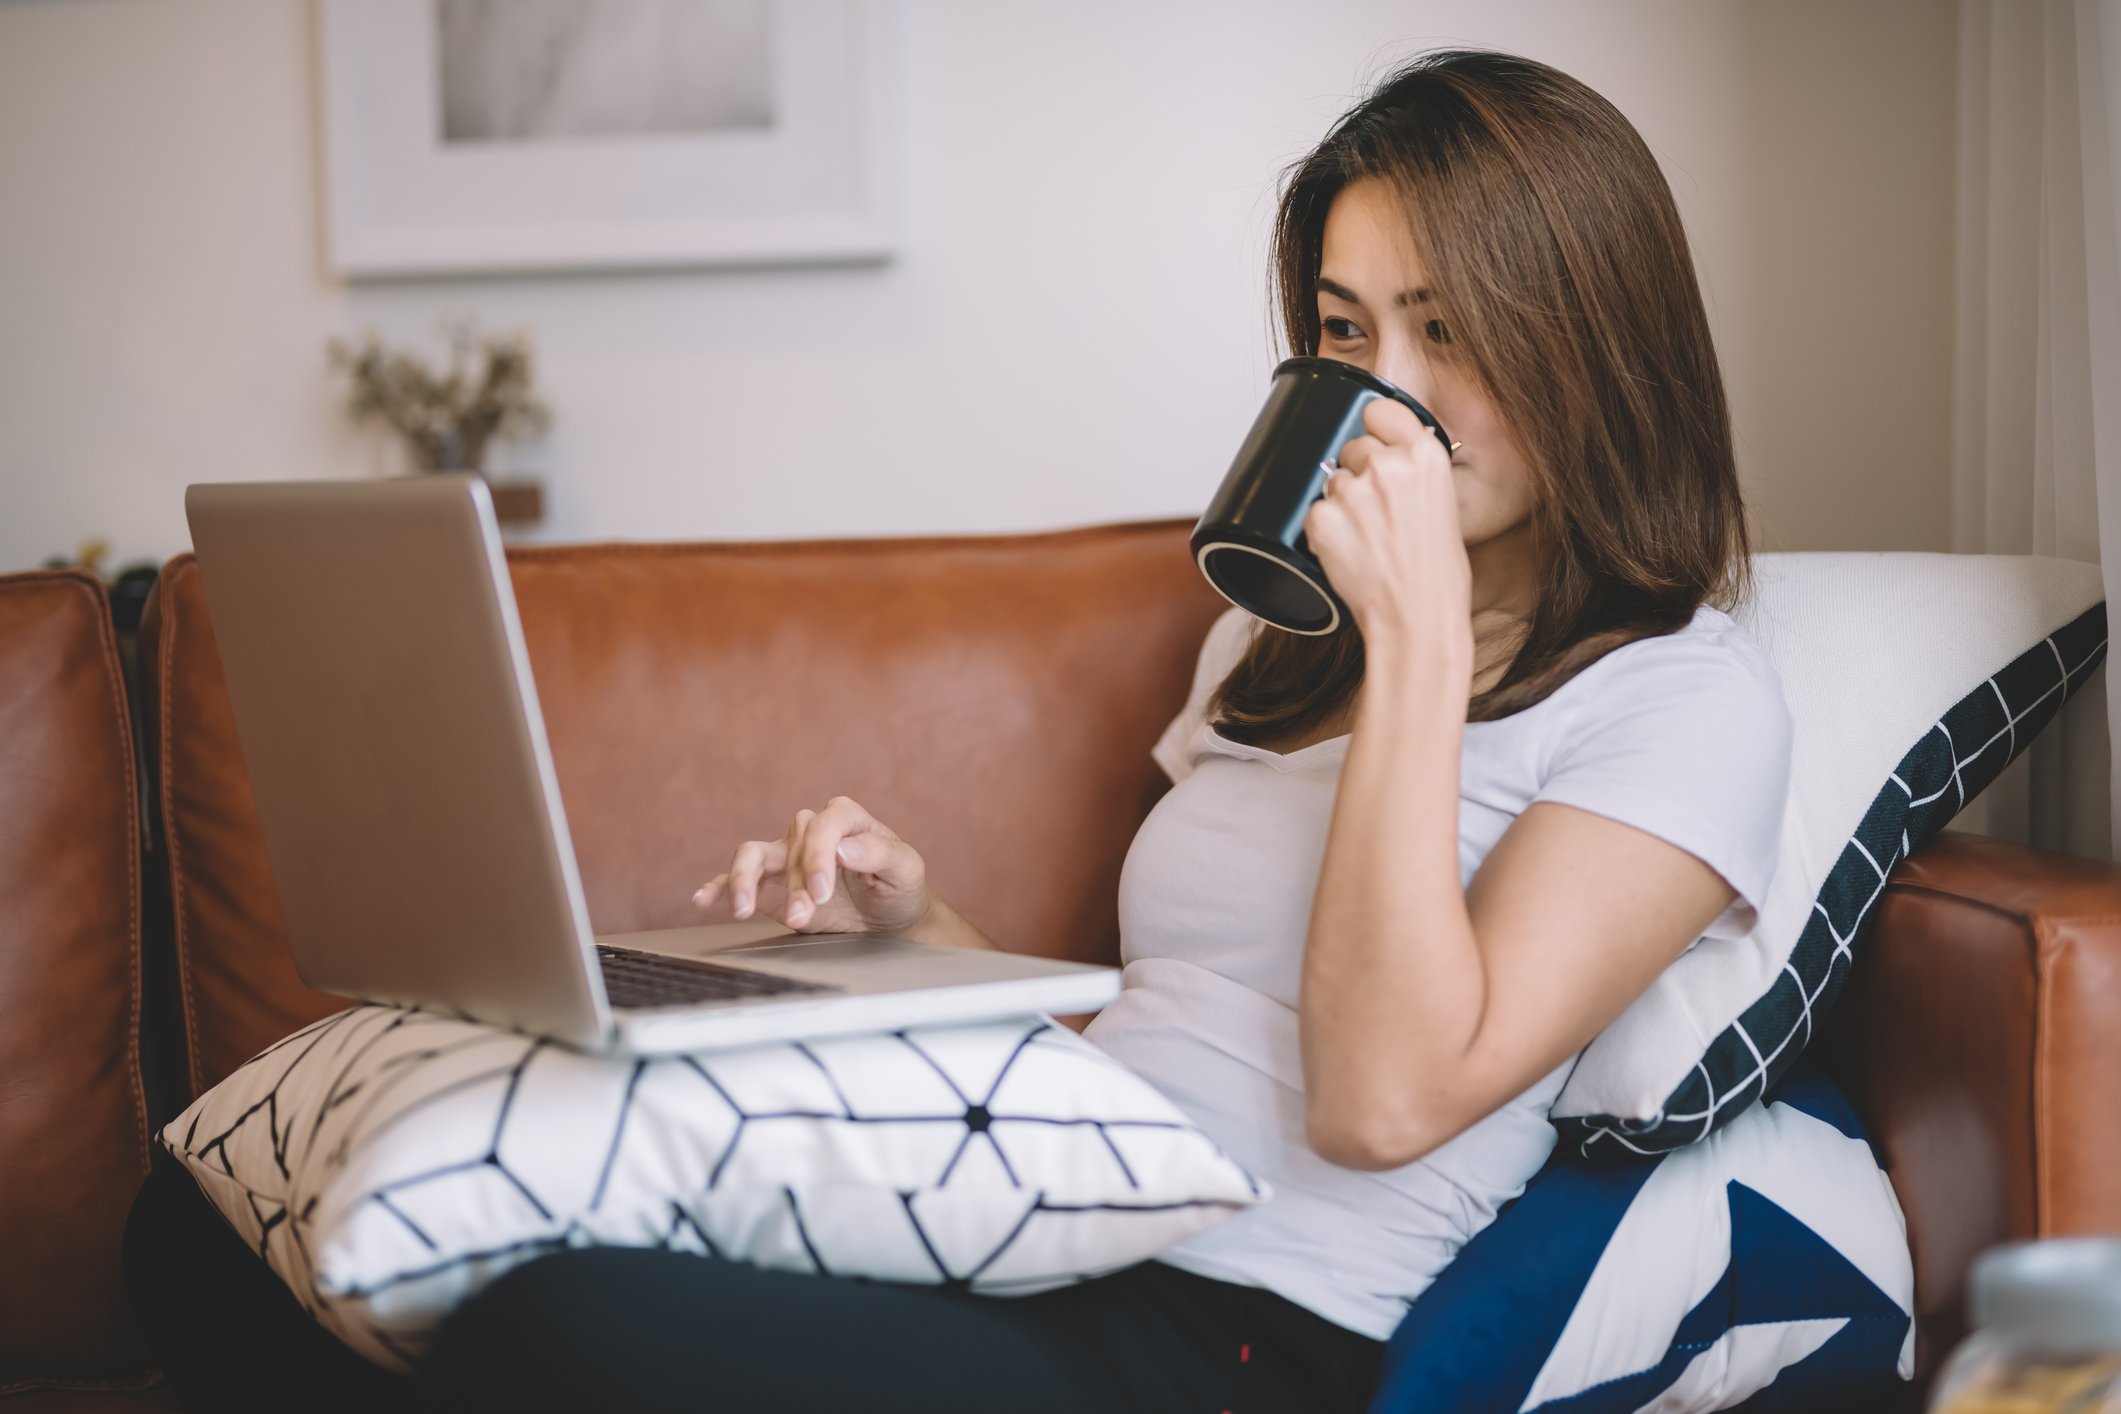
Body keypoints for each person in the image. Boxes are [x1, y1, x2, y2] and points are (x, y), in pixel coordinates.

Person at [124, 45, 1793, 1414]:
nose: (1380, 394)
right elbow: (1165, 1031)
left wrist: (1420, 647)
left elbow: (1373, 1096)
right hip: (1035, 1220)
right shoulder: (1267, 651)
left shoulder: (1679, 698)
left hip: (1233, 1337)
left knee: (554, 1329)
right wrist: (923, 933)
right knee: (205, 1222)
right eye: (1345, 332)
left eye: (1443, 325)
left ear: (1583, 339)